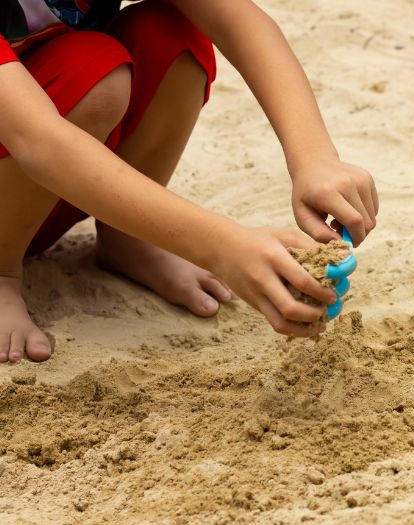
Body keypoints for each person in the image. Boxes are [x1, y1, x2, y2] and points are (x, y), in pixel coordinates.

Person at [0, 0, 378, 363]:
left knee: (171, 31)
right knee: (95, 75)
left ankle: (130, 239)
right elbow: (39, 141)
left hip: (57, 172)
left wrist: (314, 158)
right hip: (34, 148)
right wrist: (221, 246)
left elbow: (237, 19)